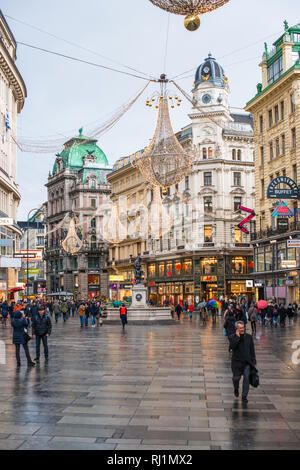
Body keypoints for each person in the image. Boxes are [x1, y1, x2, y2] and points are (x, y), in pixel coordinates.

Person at [229, 321, 257, 403]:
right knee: (236, 378)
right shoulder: (232, 337)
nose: (242, 329)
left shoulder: (249, 337)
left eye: (243, 327)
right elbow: (231, 347)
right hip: (236, 362)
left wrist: (253, 360)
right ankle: (236, 388)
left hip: (247, 362)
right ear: (236, 329)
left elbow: (252, 349)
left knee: (247, 379)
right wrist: (237, 338)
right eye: (240, 328)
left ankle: (244, 396)